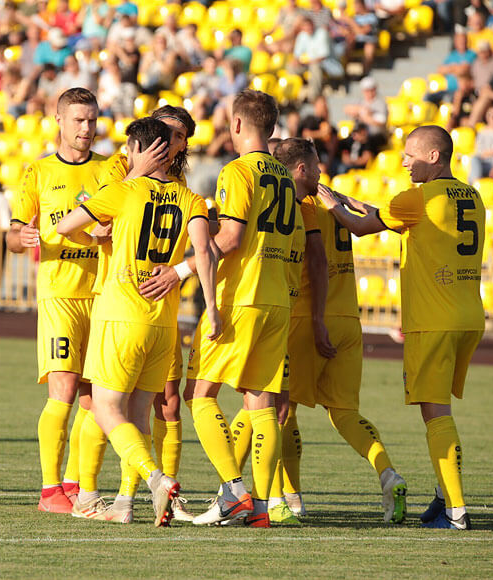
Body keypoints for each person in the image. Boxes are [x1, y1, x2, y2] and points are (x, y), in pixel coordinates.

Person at [317, 125, 486, 530]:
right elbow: (393, 214)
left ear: (434, 156)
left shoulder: (417, 198)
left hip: (433, 321)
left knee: (435, 414)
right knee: (440, 410)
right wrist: (350, 201)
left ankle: (456, 511)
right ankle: (444, 496)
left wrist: (330, 206)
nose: (404, 161)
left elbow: (360, 227)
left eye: (411, 154)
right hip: (469, 317)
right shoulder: (471, 195)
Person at [56, 117, 219, 527]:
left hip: (120, 313)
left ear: (138, 149)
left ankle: (155, 478)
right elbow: (205, 252)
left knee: (107, 408)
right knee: (140, 414)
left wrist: (97, 236)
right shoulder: (192, 199)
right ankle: (124, 504)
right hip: (165, 321)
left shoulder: (122, 190)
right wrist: (212, 309)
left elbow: (62, 227)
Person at [170, 90, 296, 527]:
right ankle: (262, 509)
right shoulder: (284, 175)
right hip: (276, 298)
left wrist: (183, 270)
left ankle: (235, 492)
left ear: (238, 124)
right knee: (260, 404)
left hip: (239, 295)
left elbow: (230, 240)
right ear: (273, 128)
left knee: (198, 395)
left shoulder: (237, 171)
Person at [274, 138, 408, 523]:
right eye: (316, 164)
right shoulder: (333, 200)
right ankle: (389, 474)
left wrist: (315, 319)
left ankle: (290, 499)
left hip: (307, 316)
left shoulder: (298, 203)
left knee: (282, 411)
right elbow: (372, 219)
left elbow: (314, 262)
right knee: (346, 413)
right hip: (349, 318)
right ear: (301, 168)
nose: (321, 171)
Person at [6, 88, 108, 514]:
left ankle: (77, 485)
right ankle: (50, 491)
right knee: (63, 391)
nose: (86, 128)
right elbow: (11, 236)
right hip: (60, 295)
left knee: (94, 398)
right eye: (78, 120)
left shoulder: (111, 169)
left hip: (102, 294)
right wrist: (21, 237)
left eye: (91, 120)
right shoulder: (38, 173)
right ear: (59, 122)